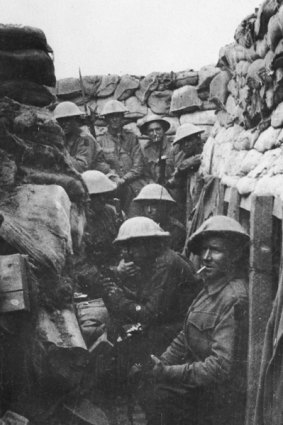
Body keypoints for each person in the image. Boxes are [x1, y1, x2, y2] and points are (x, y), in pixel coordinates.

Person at [142, 215, 249, 425]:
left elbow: (220, 367)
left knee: (158, 398)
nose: (206, 257)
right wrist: (163, 363)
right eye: (203, 250)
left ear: (234, 255)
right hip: (200, 383)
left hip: (218, 397)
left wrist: (169, 373)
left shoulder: (233, 298)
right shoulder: (210, 287)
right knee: (147, 386)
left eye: (216, 250)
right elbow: (186, 334)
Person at [101, 217, 198, 368]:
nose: (129, 253)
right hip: (167, 326)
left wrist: (119, 300)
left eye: (133, 247)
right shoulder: (155, 260)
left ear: (150, 243)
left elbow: (149, 314)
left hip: (179, 333)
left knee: (118, 356)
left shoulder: (166, 264)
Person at [75, 170, 123, 299]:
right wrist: (113, 272)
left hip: (115, 270)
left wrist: (122, 265)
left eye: (105, 195)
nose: (102, 200)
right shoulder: (77, 220)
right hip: (90, 279)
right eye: (97, 196)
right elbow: (79, 264)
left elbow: (121, 244)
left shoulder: (111, 213)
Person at [98, 100, 146, 212]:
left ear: (123, 118)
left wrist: (124, 179)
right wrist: (113, 177)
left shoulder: (131, 138)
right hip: (110, 185)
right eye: (111, 116)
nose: (115, 119)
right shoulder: (100, 140)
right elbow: (99, 163)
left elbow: (139, 166)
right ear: (106, 119)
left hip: (132, 183)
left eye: (118, 116)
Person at [54, 101, 108, 173]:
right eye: (60, 120)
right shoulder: (63, 137)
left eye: (67, 120)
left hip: (97, 175)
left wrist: (61, 153)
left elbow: (82, 167)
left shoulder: (85, 139)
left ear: (75, 119)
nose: (64, 124)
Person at [167, 123, 205, 225]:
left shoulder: (206, 151)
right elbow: (174, 179)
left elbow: (200, 159)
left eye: (189, 140)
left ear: (197, 139)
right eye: (182, 143)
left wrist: (185, 165)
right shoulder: (182, 156)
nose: (186, 145)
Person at [133, 183, 186, 252]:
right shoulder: (142, 227)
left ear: (164, 206)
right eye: (146, 206)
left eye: (153, 205)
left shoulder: (176, 230)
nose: (149, 210)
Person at [138, 115, 174, 185]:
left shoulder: (173, 146)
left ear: (163, 130)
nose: (155, 133)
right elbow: (145, 174)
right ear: (147, 133)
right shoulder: (146, 150)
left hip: (172, 185)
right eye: (151, 131)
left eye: (158, 129)